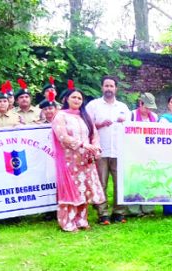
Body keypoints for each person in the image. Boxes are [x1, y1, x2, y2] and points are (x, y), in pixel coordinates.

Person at [52, 89, 106, 232]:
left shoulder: (85, 116)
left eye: (79, 98)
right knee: (71, 190)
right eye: (73, 97)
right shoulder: (60, 116)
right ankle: (67, 222)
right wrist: (82, 144)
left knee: (84, 190)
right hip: (69, 161)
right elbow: (62, 136)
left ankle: (81, 220)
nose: (76, 100)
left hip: (86, 160)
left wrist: (96, 148)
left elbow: (94, 135)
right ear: (66, 99)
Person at [85, 76, 131, 225]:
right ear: (102, 88)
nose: (109, 89)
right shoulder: (93, 105)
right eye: (106, 86)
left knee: (120, 183)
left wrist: (125, 124)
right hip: (100, 151)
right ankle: (102, 214)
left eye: (111, 86)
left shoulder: (123, 107)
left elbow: (131, 129)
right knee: (101, 184)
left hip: (119, 151)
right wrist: (99, 124)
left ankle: (119, 212)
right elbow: (85, 127)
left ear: (116, 88)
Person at [125, 92, 158, 217]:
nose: (149, 109)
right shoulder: (131, 115)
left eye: (151, 107)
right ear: (140, 103)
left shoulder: (154, 117)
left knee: (148, 180)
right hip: (133, 154)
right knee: (134, 181)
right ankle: (134, 210)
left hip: (149, 154)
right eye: (147, 106)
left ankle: (148, 209)